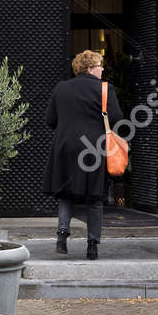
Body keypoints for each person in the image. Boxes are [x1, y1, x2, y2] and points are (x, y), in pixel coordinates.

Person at [43, 49, 110, 260]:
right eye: (100, 65)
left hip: (65, 147)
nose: (102, 69)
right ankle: (92, 245)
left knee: (65, 194)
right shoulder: (104, 89)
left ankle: (62, 238)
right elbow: (116, 119)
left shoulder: (61, 88)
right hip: (93, 148)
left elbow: (49, 120)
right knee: (95, 197)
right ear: (90, 68)